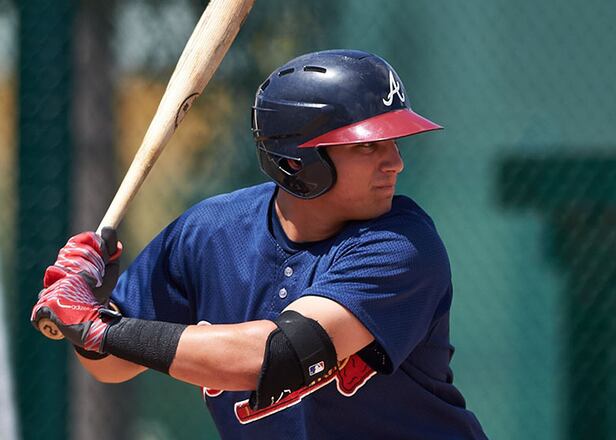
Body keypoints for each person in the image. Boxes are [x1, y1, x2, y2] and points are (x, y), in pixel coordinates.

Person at [31, 49, 487, 439]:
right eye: (368, 147)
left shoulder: (400, 244)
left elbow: (280, 355)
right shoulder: (210, 233)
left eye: (393, 142)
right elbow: (110, 366)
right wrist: (91, 316)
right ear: (298, 161)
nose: (396, 163)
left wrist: (102, 328)